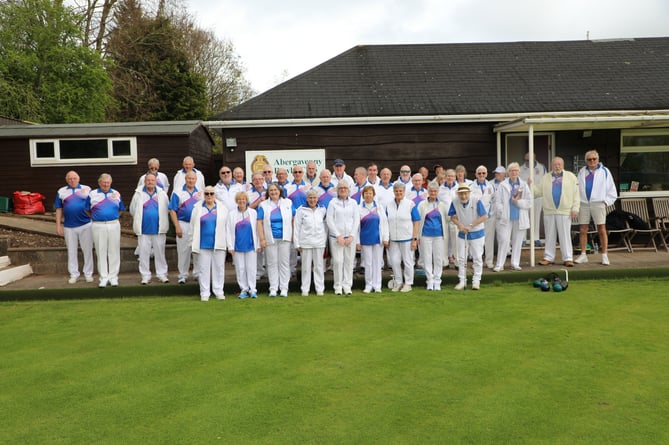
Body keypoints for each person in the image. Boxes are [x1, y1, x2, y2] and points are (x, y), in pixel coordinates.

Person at [533, 157, 580, 267]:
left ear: (563, 165)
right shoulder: (545, 178)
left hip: (565, 211)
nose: (557, 166)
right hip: (549, 211)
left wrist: (575, 209)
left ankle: (568, 258)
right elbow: (538, 192)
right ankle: (548, 257)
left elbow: (576, 194)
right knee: (549, 235)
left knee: (565, 235)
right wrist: (530, 185)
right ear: (552, 166)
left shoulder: (571, 177)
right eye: (555, 164)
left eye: (559, 164)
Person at [575, 149, 618, 265]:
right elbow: (576, 188)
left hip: (598, 203)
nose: (592, 161)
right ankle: (583, 254)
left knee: (601, 229)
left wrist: (605, 202)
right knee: (583, 229)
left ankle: (604, 255)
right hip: (583, 203)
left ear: (598, 159)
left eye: (594, 159)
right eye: (589, 159)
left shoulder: (605, 171)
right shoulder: (582, 171)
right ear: (586, 161)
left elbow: (612, 190)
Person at [130, 172, 170, 284]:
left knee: (160, 253)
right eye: (148, 180)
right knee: (143, 253)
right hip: (143, 230)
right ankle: (145, 276)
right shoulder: (138, 194)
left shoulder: (162, 194)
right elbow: (133, 210)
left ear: (156, 181)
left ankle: (162, 274)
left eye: (152, 180)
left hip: (159, 229)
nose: (150, 182)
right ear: (144, 181)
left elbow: (167, 209)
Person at [54, 170, 94, 284]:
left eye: (74, 178)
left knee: (88, 250)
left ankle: (88, 274)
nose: (72, 180)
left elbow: (93, 205)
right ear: (67, 180)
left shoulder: (87, 189)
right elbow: (58, 209)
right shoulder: (61, 191)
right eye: (70, 178)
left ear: (79, 178)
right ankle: (73, 274)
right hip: (69, 226)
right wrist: (58, 226)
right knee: (71, 251)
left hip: (86, 224)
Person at [86, 173, 125, 288]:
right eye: (104, 182)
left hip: (113, 224)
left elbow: (121, 209)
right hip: (98, 225)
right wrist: (96, 217)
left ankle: (113, 277)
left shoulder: (116, 193)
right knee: (100, 251)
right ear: (99, 183)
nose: (106, 184)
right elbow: (87, 210)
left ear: (110, 183)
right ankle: (103, 277)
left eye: (108, 183)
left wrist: (113, 217)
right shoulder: (92, 194)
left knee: (114, 250)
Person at [190, 186, 228, 301]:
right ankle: (204, 293)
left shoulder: (222, 208)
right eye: (207, 194)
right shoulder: (197, 208)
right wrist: (191, 242)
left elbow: (227, 227)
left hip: (219, 244)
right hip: (202, 244)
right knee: (203, 269)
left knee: (219, 268)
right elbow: (192, 227)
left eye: (211, 194)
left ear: (215, 195)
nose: (209, 196)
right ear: (204, 195)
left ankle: (218, 291)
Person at [493, 162, 532, 272]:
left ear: (519, 172)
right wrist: (501, 212)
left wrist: (518, 203)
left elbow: (529, 202)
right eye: (511, 170)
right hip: (506, 218)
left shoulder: (524, 185)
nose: (514, 172)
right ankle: (500, 264)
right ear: (508, 172)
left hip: (520, 217)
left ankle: (515, 263)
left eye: (516, 170)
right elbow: (498, 202)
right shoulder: (503, 185)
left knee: (518, 241)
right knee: (504, 240)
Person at [257, 183, 294, 297]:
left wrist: (293, 236)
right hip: (270, 239)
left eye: (275, 190)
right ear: (268, 192)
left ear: (280, 191)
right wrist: (262, 239)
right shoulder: (263, 205)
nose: (273, 192)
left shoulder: (288, 202)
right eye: (271, 190)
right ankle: (273, 288)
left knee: (284, 263)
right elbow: (259, 222)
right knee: (272, 263)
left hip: (285, 238)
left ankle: (284, 288)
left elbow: (293, 219)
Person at [449, 184, 488, 290]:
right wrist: (460, 225)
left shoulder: (476, 200)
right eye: (461, 194)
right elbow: (452, 217)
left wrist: (471, 225)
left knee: (477, 258)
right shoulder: (455, 201)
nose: (463, 196)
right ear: (458, 194)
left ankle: (476, 281)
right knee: (461, 258)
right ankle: (462, 281)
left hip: (477, 233)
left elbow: (484, 216)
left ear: (469, 193)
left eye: (465, 193)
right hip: (462, 233)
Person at [326, 181, 360, 295]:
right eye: (341, 188)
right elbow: (329, 220)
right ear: (337, 190)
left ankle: (347, 286)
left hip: (350, 237)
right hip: (336, 238)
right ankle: (338, 286)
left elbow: (356, 220)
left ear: (349, 190)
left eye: (345, 188)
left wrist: (352, 236)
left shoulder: (354, 203)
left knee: (349, 261)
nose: (343, 189)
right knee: (338, 261)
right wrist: (338, 235)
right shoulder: (332, 203)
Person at [169, 170, 202, 284]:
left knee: (197, 250)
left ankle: (197, 273)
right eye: (189, 178)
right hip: (183, 223)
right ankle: (183, 274)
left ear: (196, 180)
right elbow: (172, 210)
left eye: (193, 179)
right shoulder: (177, 192)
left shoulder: (201, 194)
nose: (191, 181)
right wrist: (177, 226)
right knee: (183, 251)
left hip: (197, 225)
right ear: (185, 179)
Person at [386, 182, 420, 292]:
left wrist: (414, 239)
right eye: (396, 191)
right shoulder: (389, 205)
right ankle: (398, 282)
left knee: (408, 261)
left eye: (400, 191)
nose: (398, 193)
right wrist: (387, 237)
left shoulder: (410, 204)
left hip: (407, 238)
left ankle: (408, 283)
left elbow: (416, 222)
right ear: (393, 192)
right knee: (394, 261)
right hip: (393, 239)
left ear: (404, 192)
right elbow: (386, 222)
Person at [294, 189, 328, 296]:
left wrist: (324, 240)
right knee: (306, 268)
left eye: (314, 198)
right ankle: (305, 289)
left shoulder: (322, 209)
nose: (312, 200)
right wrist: (297, 244)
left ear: (317, 198)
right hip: (306, 243)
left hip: (319, 242)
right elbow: (296, 227)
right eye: (310, 198)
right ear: (307, 199)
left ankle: (319, 289)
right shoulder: (301, 210)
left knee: (319, 267)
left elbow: (326, 226)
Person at [417, 182, 450, 291]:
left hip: (439, 235)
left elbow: (447, 219)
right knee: (427, 257)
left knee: (438, 258)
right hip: (425, 235)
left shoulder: (442, 205)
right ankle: (429, 280)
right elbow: (418, 221)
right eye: (431, 191)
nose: (433, 193)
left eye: (435, 191)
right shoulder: (422, 205)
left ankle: (437, 281)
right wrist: (417, 236)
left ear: (437, 192)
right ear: (428, 191)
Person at [227, 191, 259, 299]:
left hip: (250, 245)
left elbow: (257, 230)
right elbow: (228, 231)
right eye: (239, 199)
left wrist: (257, 244)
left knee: (251, 268)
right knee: (240, 268)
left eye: (243, 199)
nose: (242, 201)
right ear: (237, 201)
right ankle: (244, 289)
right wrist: (230, 246)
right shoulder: (231, 214)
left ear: (246, 200)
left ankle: (253, 289)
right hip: (237, 246)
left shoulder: (253, 213)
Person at [357, 186, 389, 293]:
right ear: (363, 195)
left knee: (377, 262)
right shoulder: (359, 208)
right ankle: (368, 285)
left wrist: (385, 238)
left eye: (370, 193)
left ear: (373, 195)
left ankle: (377, 286)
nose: (368, 195)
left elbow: (384, 223)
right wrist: (357, 241)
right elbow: (356, 227)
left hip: (377, 239)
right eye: (366, 193)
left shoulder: (379, 208)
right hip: (365, 239)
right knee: (368, 263)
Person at [520, 152, 548, 247]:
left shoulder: (541, 168)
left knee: (536, 218)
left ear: (535, 158)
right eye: (526, 160)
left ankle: (536, 238)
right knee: (524, 218)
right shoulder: (520, 169)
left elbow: (545, 181)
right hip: (525, 197)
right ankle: (523, 239)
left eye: (530, 159)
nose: (528, 161)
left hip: (538, 196)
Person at [471, 166, 496, 268]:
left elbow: (494, 201)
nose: (481, 175)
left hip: (489, 217)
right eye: (479, 173)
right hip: (476, 218)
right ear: (476, 174)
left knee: (489, 240)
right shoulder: (471, 187)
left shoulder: (491, 186)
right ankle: (477, 262)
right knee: (477, 241)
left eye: (483, 173)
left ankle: (489, 261)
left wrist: (491, 212)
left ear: (486, 174)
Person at [438, 168, 458, 266]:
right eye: (448, 176)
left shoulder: (458, 187)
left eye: (452, 176)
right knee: (445, 240)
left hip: (456, 218)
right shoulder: (440, 189)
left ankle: (457, 261)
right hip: (444, 219)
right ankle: (444, 262)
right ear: (445, 177)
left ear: (455, 177)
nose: (450, 178)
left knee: (456, 241)